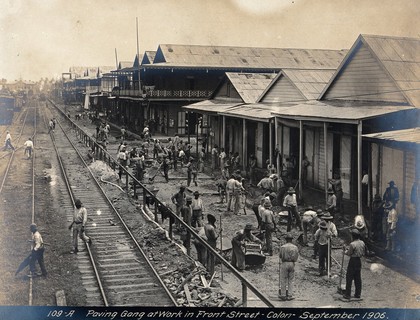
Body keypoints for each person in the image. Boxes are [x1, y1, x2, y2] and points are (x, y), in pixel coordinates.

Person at [342, 229, 365, 300]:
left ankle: (347, 294)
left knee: (349, 277)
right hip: (359, 261)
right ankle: (358, 294)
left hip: (353, 261)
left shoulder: (352, 244)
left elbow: (349, 253)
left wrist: (344, 251)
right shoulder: (362, 242)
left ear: (353, 236)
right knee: (357, 278)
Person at [278, 233, 299, 301]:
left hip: (284, 263)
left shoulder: (282, 247)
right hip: (292, 263)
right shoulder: (295, 247)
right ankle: (290, 295)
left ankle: (283, 295)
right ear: (291, 240)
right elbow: (296, 257)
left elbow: (280, 256)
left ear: (286, 240)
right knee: (291, 280)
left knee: (283, 279)